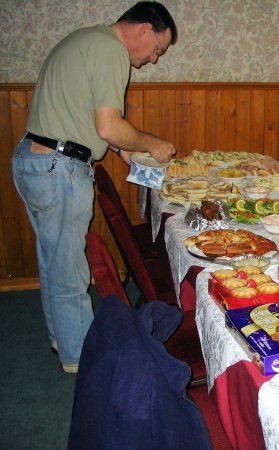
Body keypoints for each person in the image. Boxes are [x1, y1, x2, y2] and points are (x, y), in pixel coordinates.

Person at [11, 2, 178, 373]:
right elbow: (108, 125)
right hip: (59, 168)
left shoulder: (87, 40)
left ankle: (63, 339)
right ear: (145, 28)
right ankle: (83, 359)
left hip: (34, 160)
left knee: (54, 263)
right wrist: (151, 142)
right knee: (70, 271)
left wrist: (124, 150)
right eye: (157, 49)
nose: (153, 59)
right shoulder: (111, 50)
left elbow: (85, 115)